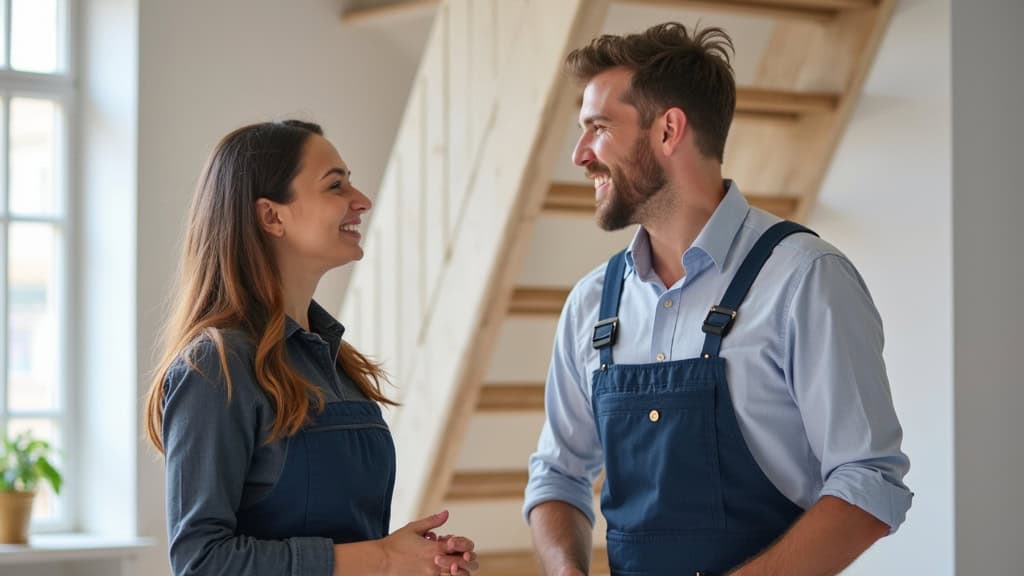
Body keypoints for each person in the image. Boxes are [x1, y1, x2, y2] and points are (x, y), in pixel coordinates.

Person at [524, 23, 912, 576]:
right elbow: (558, 476)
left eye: (599, 128)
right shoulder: (591, 304)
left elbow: (869, 481)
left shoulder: (804, 279)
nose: (579, 155)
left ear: (669, 130)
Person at [144, 120, 479, 576]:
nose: (361, 200)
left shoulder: (336, 364)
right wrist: (381, 559)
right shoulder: (215, 365)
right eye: (335, 185)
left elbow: (347, 542)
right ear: (272, 217)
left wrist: (416, 559)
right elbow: (201, 562)